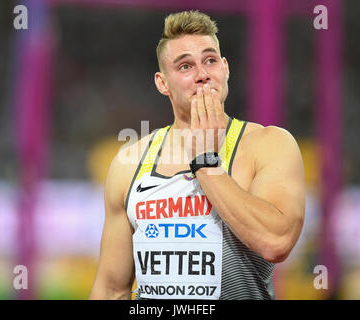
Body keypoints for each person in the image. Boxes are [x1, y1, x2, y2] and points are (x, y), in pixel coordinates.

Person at [89, 10, 305, 300]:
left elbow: (276, 242)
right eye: (185, 66)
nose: (203, 74)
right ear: (162, 83)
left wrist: (206, 163)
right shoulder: (131, 162)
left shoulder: (269, 144)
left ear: (225, 68)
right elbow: (111, 289)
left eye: (210, 60)